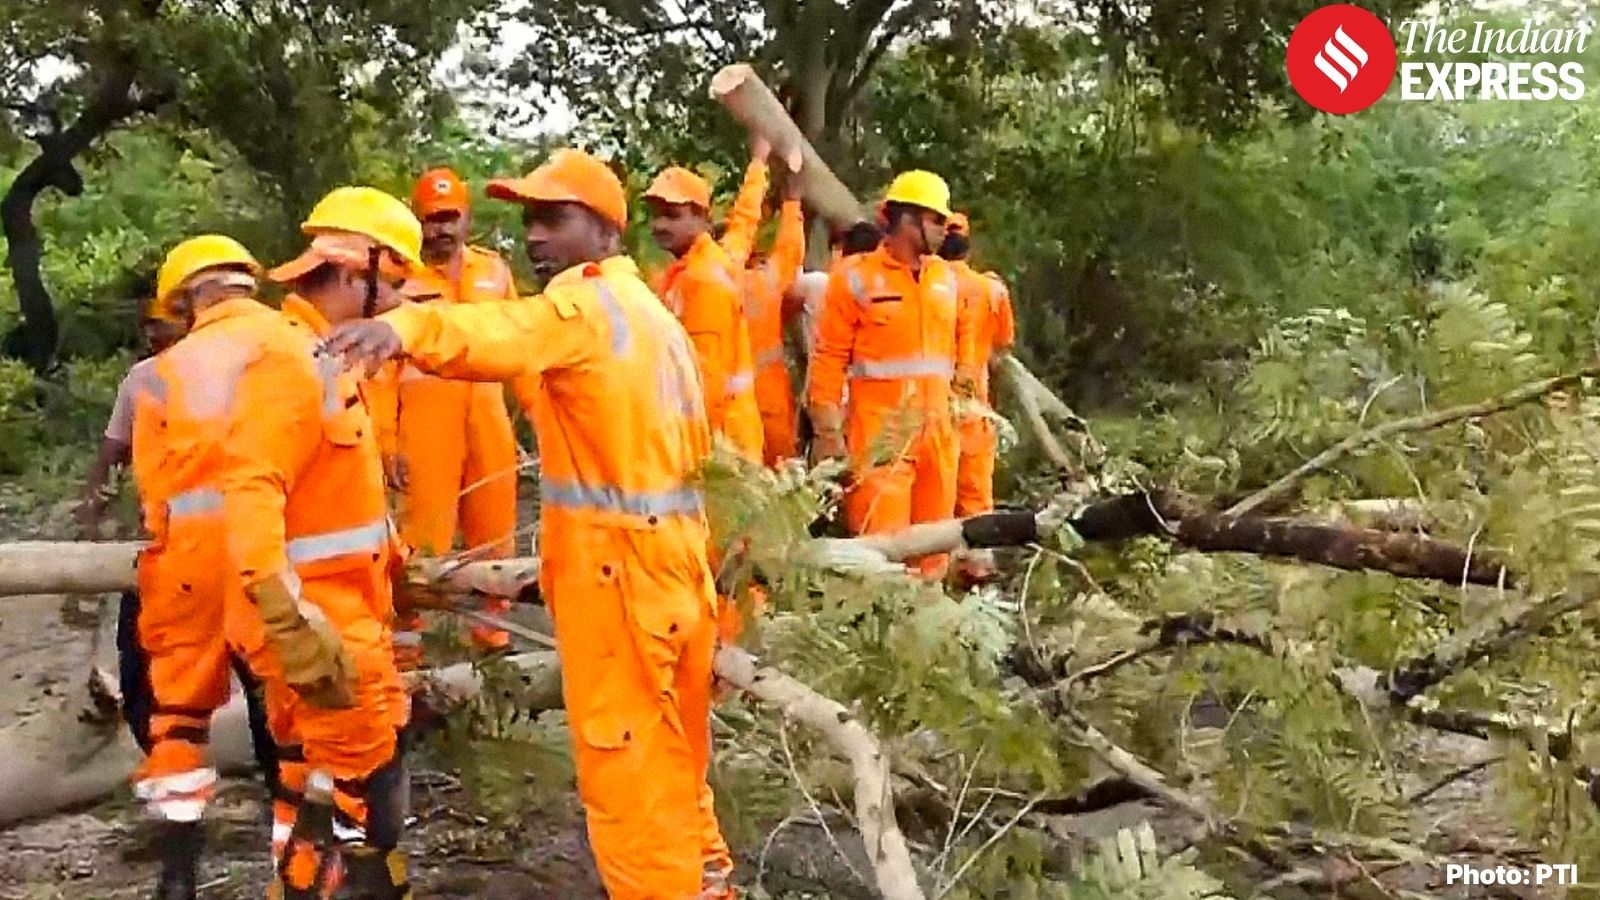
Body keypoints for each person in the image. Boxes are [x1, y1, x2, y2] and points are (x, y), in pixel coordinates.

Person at [324, 148, 736, 899]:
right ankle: (707, 886)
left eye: (554, 219)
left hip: (622, 583)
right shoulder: (650, 314)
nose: (536, 237)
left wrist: (407, 331)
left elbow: (505, 335)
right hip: (676, 572)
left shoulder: (585, 306)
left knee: (627, 778)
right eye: (529, 221)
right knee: (676, 763)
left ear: (606, 231)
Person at [233, 185, 418, 898]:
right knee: (368, 806)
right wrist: (287, 618)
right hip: (322, 634)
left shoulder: (325, 357)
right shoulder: (288, 364)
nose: (399, 301)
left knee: (316, 797)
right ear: (352, 272)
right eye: (393, 282)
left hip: (341, 621)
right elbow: (251, 490)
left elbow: (334, 496)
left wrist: (397, 563)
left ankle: (304, 889)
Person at [114, 247, 280, 900]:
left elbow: (155, 486)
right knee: (277, 718)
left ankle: (179, 871)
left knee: (174, 719)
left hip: (186, 569)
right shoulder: (288, 352)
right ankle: (292, 865)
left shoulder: (160, 377)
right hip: (261, 559)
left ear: (186, 303)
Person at [808, 170, 979, 579]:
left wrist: (966, 416)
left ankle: (928, 633)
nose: (945, 231)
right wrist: (828, 435)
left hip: (938, 437)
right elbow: (829, 358)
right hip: (880, 439)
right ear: (907, 219)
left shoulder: (946, 280)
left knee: (934, 552)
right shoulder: (854, 278)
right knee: (880, 555)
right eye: (937, 221)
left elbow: (963, 357)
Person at [389, 168, 523, 651]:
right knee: (422, 552)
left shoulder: (494, 272)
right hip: (423, 431)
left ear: (467, 218)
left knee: (496, 545)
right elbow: (381, 371)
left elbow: (521, 346)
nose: (441, 229)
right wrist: (387, 440)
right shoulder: (397, 278)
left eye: (450, 218)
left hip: (489, 423)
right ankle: (410, 666)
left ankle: (496, 654)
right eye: (431, 219)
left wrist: (544, 421)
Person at [645, 158, 765, 462]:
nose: (659, 225)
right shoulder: (693, 269)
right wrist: (759, 165)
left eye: (672, 216)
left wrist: (683, 452)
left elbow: (707, 380)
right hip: (720, 443)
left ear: (701, 217)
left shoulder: (703, 279)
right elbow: (744, 223)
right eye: (656, 216)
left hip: (719, 449)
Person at [941, 212, 1016, 580]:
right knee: (974, 490)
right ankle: (978, 564)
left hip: (929, 404)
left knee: (935, 489)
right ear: (968, 246)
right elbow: (1002, 347)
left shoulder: (927, 283)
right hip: (974, 403)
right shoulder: (992, 289)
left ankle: (934, 566)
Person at [75, 301, 187, 539]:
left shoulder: (146, 375)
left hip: (181, 510)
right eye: (148, 326)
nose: (151, 333)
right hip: (166, 509)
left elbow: (114, 450)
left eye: (157, 324)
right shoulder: (142, 376)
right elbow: (114, 450)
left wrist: (94, 502)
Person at [741, 170, 807, 465]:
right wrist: (792, 204)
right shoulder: (764, 282)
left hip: (728, 408)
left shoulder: (694, 282)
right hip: (769, 400)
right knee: (781, 481)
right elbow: (790, 250)